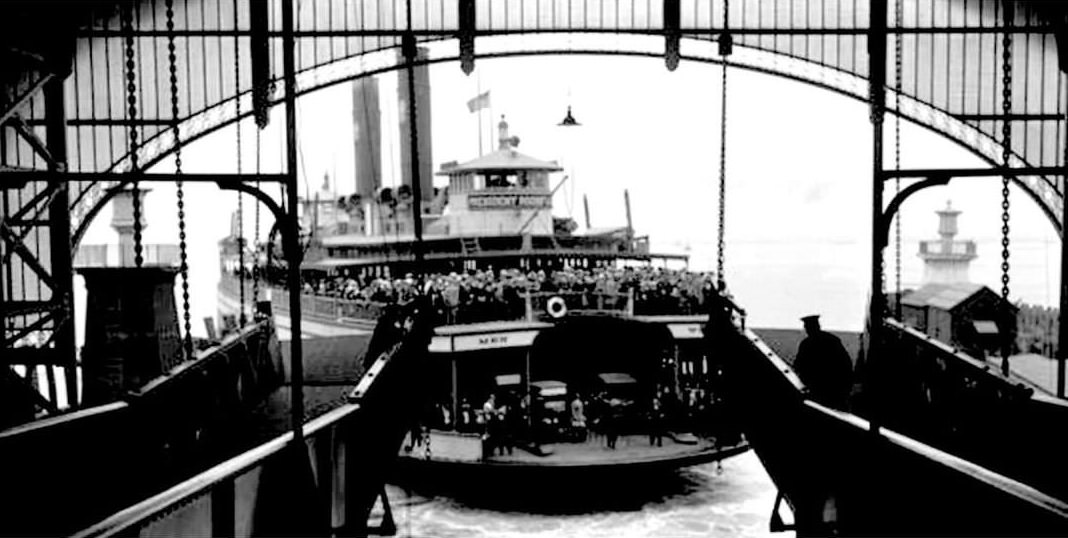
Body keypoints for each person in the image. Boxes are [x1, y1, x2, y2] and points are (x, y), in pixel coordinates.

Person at [794, 314, 854, 410]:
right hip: (834, 386)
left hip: (820, 387)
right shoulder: (832, 340)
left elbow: (798, 365)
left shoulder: (806, 344)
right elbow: (846, 363)